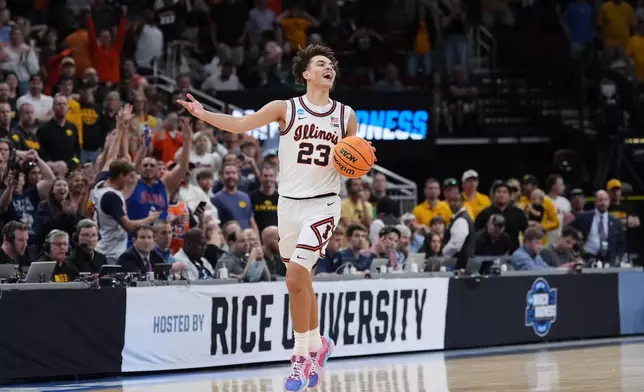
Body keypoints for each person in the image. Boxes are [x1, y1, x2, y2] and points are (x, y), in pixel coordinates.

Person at [177, 44, 375, 391]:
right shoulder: (285, 108)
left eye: (331, 64)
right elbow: (240, 124)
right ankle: (318, 345)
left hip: (324, 205)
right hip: (289, 205)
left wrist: (361, 160)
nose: (329, 68)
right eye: (321, 64)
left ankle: (299, 357)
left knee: (295, 276)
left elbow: (351, 161)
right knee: (302, 281)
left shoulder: (346, 116)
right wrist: (203, 114)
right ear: (305, 74)